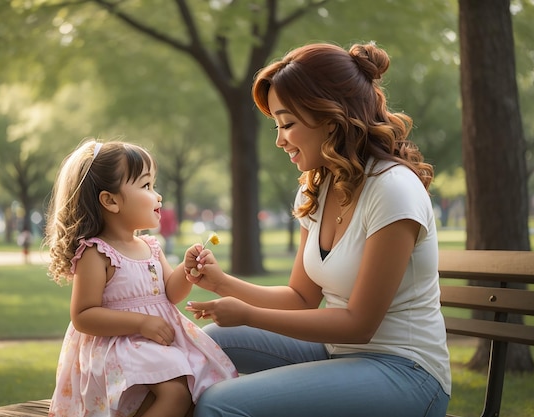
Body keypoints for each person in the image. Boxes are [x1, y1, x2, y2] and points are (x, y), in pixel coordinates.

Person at [184, 42, 451, 417]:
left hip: (405, 371)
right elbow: (300, 297)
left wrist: (248, 313)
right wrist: (222, 283)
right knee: (201, 346)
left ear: (331, 117)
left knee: (220, 404)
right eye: (276, 125)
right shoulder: (318, 187)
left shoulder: (392, 190)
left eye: (288, 124)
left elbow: (359, 325)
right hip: (337, 352)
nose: (280, 140)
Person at [43, 139, 237, 417]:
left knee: (193, 391)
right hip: (118, 345)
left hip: (154, 344)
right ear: (110, 201)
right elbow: (83, 316)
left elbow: (171, 293)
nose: (157, 196)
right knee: (175, 394)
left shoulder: (150, 247)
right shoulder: (97, 253)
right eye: (146, 186)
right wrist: (141, 322)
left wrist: (186, 270)